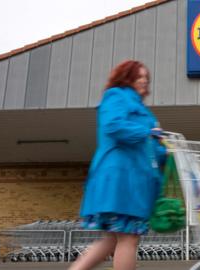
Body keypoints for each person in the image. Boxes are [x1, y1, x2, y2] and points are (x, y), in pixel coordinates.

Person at [69, 60, 167, 270]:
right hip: (122, 178)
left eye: (146, 78)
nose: (143, 80)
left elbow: (150, 149)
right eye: (138, 76)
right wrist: (146, 132)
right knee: (128, 238)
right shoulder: (116, 95)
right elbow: (113, 126)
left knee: (112, 240)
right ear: (126, 77)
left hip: (132, 180)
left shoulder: (144, 112)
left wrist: (164, 150)